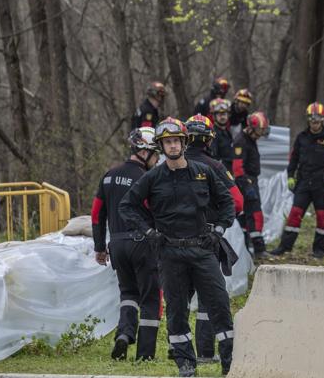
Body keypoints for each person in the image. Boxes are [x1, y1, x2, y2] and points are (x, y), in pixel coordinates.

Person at [119, 117, 235, 377]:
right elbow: (127, 206)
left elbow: (228, 202)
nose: (173, 146)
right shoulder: (153, 177)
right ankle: (186, 366)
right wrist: (149, 232)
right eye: (167, 142)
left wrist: (218, 230)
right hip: (170, 254)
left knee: (219, 305)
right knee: (176, 311)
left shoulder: (203, 172)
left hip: (203, 250)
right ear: (161, 146)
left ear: (184, 142)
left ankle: (229, 363)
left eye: (176, 141)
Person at [91, 127, 161, 361]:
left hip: (117, 245)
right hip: (142, 243)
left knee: (128, 294)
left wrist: (100, 246)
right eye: (156, 153)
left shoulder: (109, 175)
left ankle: (124, 334)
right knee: (151, 297)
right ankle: (145, 354)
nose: (158, 159)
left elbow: (96, 214)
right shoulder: (147, 178)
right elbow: (156, 211)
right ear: (145, 152)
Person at [183, 114, 244, 365]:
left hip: (172, 242)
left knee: (178, 300)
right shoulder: (215, 167)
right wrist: (219, 222)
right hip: (206, 240)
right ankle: (206, 353)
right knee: (209, 298)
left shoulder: (168, 167)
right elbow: (238, 202)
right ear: (209, 139)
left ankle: (180, 351)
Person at [270, 102, 324, 258]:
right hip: (303, 182)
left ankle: (319, 250)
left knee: (323, 218)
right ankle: (284, 247)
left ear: (322, 120)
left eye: (317, 121)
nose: (314, 123)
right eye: (312, 120)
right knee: (294, 215)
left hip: (322, 183)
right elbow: (293, 159)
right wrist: (290, 176)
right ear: (308, 120)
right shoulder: (301, 138)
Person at [232, 111, 270, 258]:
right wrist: (247, 187)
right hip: (245, 182)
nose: (262, 133)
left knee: (248, 216)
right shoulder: (241, 141)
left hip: (250, 180)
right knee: (255, 215)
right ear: (253, 128)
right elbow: (237, 168)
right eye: (261, 129)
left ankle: (248, 247)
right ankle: (258, 248)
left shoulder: (250, 139)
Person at [209, 99, 235, 172]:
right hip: (221, 173)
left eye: (224, 114)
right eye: (219, 114)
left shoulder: (227, 131)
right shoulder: (213, 134)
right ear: (214, 116)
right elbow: (213, 158)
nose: (222, 117)